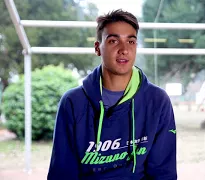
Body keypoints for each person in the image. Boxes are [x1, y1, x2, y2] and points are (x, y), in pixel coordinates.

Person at [47, 9, 177, 180]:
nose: (124, 49)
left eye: (131, 41)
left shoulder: (157, 101)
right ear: (97, 48)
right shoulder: (73, 102)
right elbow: (63, 173)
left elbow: (163, 174)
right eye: (114, 41)